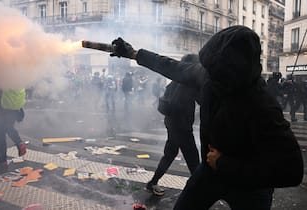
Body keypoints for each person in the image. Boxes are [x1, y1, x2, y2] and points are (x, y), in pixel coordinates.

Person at [110, 25, 304, 209]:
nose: (209, 76)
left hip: (250, 188)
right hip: (210, 172)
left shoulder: (263, 106)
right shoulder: (208, 74)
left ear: (233, 72)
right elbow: (171, 66)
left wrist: (224, 164)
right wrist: (134, 53)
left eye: (216, 72)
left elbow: (292, 170)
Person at [145, 54, 200, 196]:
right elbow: (196, 101)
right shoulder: (187, 84)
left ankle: (152, 182)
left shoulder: (174, 82)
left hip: (172, 124)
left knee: (169, 155)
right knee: (194, 162)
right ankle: (199, 193)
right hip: (182, 128)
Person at [0, 89, 27, 167]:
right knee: (9, 127)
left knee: (0, 136)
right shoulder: (14, 83)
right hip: (12, 110)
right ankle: (19, 142)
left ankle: (3, 161)